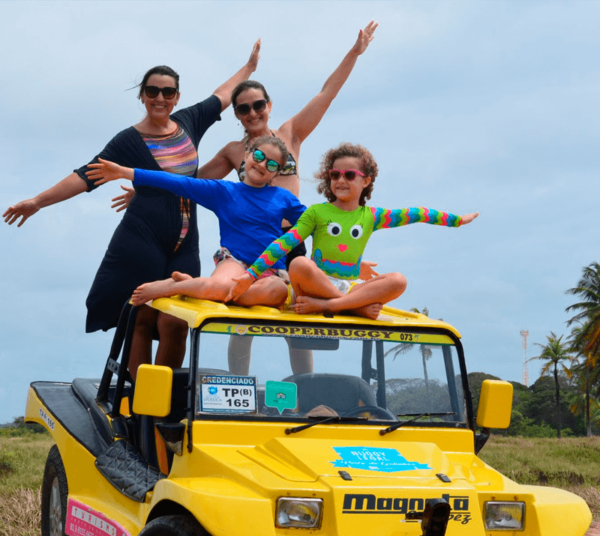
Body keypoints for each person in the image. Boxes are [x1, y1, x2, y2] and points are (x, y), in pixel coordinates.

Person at [111, 23, 379, 373]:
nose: (252, 113)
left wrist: (354, 53)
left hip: (292, 241)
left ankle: (307, 395)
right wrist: (141, 192)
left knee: (298, 327)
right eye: (242, 109)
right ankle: (239, 390)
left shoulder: (291, 134)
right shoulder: (234, 151)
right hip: (248, 245)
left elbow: (326, 94)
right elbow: (189, 184)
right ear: (236, 114)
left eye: (257, 105)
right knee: (243, 323)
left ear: (269, 105)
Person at [3, 45, 260, 377]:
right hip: (143, 239)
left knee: (176, 322)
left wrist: (249, 67)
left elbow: (223, 94)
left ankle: (162, 404)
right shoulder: (129, 140)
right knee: (142, 317)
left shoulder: (189, 122)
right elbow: (86, 175)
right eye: (152, 91)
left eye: (168, 92)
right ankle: (138, 405)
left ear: (177, 97)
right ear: (142, 96)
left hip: (185, 242)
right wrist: (38, 201)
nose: (160, 97)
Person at [226, 143, 479, 320]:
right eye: (335, 174)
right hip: (313, 287)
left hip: (347, 290)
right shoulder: (316, 212)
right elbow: (283, 243)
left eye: (349, 174)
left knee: (399, 280)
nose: (340, 180)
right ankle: (351, 308)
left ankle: (334, 305)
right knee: (300, 263)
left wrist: (456, 220)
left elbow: (417, 213)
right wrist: (250, 275)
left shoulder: (371, 216)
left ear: (366, 181)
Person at [84, 137, 305, 310]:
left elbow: (317, 222)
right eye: (259, 155)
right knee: (217, 285)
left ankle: (199, 288)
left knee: (277, 290)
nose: (263, 163)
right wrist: (125, 172)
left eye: (272, 164)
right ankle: (175, 286)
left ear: (276, 173)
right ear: (247, 155)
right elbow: (177, 182)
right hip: (235, 261)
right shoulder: (223, 191)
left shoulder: (282, 197)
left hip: (269, 270)